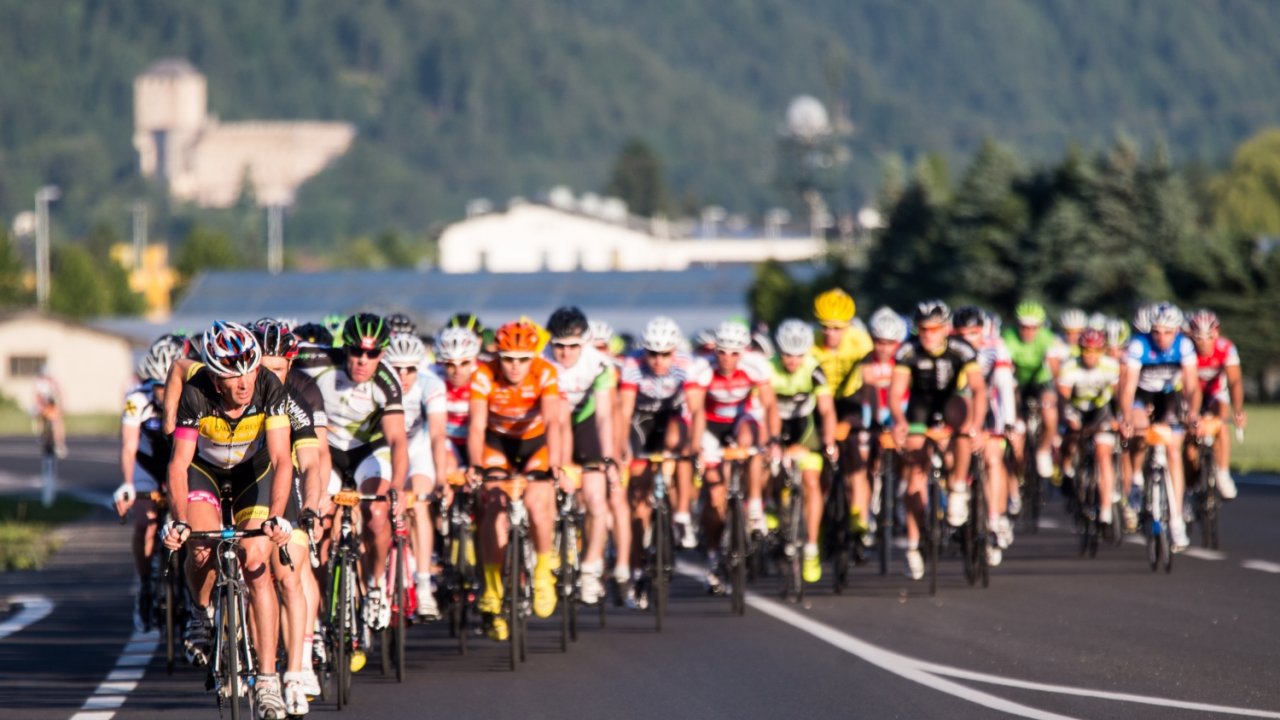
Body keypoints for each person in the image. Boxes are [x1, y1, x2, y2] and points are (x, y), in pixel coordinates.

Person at [160, 321, 296, 720]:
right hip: (206, 468)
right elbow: (179, 464)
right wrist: (180, 521)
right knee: (201, 549)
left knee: (256, 562)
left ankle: (268, 680)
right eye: (232, 374)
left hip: (252, 471)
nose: (243, 383)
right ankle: (201, 612)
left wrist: (275, 517)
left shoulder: (269, 386)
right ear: (215, 377)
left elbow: (283, 459)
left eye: (250, 369)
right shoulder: (197, 393)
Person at [294, 313, 409, 633]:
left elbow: (398, 440)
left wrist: (397, 486)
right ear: (344, 349)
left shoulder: (386, 379)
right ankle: (315, 617)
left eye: (372, 354)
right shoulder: (318, 360)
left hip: (367, 452)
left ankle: (374, 586)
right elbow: (273, 349)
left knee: (376, 511)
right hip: (326, 450)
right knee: (316, 526)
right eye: (356, 351)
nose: (362, 360)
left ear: (382, 354)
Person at [469, 320, 565, 640]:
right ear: (498, 354)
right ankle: (493, 587)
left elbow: (553, 420)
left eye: (522, 359)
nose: (514, 366)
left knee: (538, 504)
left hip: (535, 442)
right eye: (508, 358)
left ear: (532, 357)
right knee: (494, 508)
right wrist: (474, 465)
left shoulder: (545, 371)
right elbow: (476, 426)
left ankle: (541, 572)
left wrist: (557, 464)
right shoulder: (484, 374)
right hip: (497, 442)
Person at [888, 301, 985, 580]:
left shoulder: (962, 349)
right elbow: (896, 394)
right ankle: (913, 545)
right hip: (920, 408)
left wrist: (977, 425)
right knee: (915, 475)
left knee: (964, 426)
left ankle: (957, 487)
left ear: (944, 329)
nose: (927, 335)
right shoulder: (907, 351)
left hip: (951, 403)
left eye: (933, 330)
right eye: (922, 330)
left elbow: (978, 389)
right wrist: (900, 421)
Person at [544, 307, 628, 607]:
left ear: (585, 343)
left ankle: (591, 567)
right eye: (559, 346)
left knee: (595, 497)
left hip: (587, 420)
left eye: (573, 347)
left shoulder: (599, 364)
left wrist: (608, 460)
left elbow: (605, 416)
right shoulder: (540, 361)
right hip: (551, 421)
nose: (565, 353)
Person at [1118, 302, 1200, 552]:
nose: (1161, 338)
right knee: (1139, 432)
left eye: (1167, 332)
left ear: (1176, 331)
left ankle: (1175, 520)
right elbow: (1128, 387)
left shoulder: (1184, 346)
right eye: (1156, 332)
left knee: (1174, 449)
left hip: (1169, 396)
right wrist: (1126, 417)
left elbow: (1191, 386)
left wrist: (1193, 414)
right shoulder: (1138, 345)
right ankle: (1135, 482)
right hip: (1143, 395)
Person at [114, 340, 182, 631]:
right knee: (147, 524)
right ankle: (144, 585)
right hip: (146, 465)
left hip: (178, 463)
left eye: (168, 386)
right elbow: (129, 447)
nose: (163, 394)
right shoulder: (136, 399)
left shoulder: (190, 397)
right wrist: (128, 485)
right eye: (158, 387)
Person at [384, 331, 450, 620]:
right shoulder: (380, 385)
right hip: (385, 452)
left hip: (419, 451)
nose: (403, 375)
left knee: (420, 504)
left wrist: (443, 479)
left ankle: (423, 586)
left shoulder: (431, 384)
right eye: (396, 369)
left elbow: (437, 436)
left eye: (409, 369)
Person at [769, 319, 836, 583]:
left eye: (798, 355)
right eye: (787, 354)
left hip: (804, 431)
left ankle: (810, 548)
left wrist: (829, 440)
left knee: (810, 481)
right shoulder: (768, 369)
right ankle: (771, 505)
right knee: (767, 466)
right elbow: (758, 409)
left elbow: (827, 410)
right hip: (774, 427)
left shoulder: (814, 370)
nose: (792, 361)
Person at [1186, 309, 1243, 501]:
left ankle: (1223, 472)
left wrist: (1238, 410)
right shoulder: (1186, 349)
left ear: (1216, 334)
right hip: (1189, 393)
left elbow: (1234, 381)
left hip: (1215, 393)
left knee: (1221, 425)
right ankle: (1190, 485)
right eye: (1198, 338)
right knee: (1190, 442)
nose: (1203, 342)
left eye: (1208, 337)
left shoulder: (1226, 348)